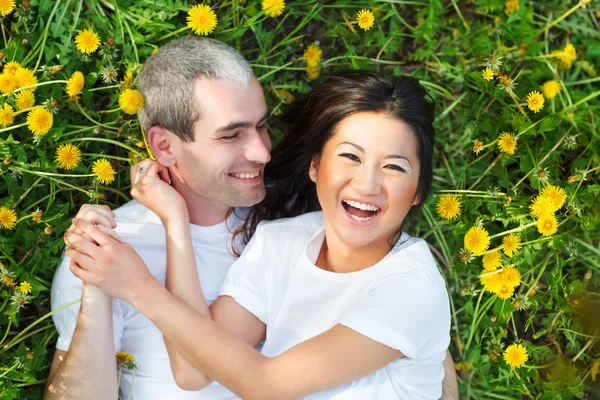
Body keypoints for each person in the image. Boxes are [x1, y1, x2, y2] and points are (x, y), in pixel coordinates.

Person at [63, 71, 453, 399]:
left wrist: (137, 287)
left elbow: (264, 385)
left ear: (418, 191)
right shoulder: (281, 242)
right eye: (350, 156)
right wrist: (175, 222)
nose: (367, 185)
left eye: (395, 167)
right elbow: (192, 369)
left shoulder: (411, 290)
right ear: (316, 166)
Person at [45, 36, 272, 399]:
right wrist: (97, 289)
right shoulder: (113, 248)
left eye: (262, 125)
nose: (262, 152)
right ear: (165, 146)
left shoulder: (288, 222)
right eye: (231, 135)